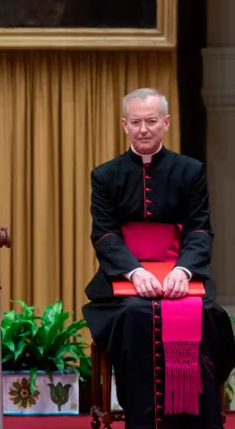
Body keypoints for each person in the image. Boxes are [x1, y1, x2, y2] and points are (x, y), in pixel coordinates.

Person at [83, 88, 235, 428]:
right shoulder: (105, 175)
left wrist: (184, 269)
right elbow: (104, 234)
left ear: (165, 123)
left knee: (207, 314)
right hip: (124, 277)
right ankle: (144, 419)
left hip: (181, 271)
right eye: (135, 122)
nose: (143, 129)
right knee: (135, 313)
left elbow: (199, 230)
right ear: (124, 125)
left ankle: (199, 417)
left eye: (151, 121)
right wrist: (134, 273)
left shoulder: (190, 170)